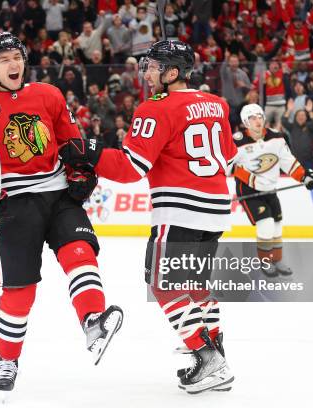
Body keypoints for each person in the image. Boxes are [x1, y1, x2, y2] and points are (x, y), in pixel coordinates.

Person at [60, 40, 236, 394]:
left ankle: (208, 358)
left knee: (165, 285)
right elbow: (229, 159)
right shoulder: (216, 104)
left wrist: (89, 151)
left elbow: (130, 168)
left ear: (173, 73)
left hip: (180, 208)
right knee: (196, 287)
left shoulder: (156, 108)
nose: (147, 72)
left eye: (155, 67)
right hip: (216, 209)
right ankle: (216, 353)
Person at [0, 32, 123, 393]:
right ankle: (7, 359)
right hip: (14, 204)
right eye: (3, 59)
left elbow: (70, 141)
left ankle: (93, 320)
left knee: (81, 256)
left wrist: (80, 171)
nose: (13, 64)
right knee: (21, 292)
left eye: (16, 57)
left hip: (59, 195)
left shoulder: (48, 94)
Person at [231, 104, 313, 277]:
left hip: (269, 189)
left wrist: (305, 177)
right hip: (249, 190)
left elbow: (288, 162)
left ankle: (277, 260)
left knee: (277, 226)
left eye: (259, 116)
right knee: (265, 225)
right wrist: (244, 176)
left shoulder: (277, 138)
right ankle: (265, 262)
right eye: (252, 118)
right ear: (245, 122)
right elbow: (227, 166)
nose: (257, 120)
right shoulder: (237, 141)